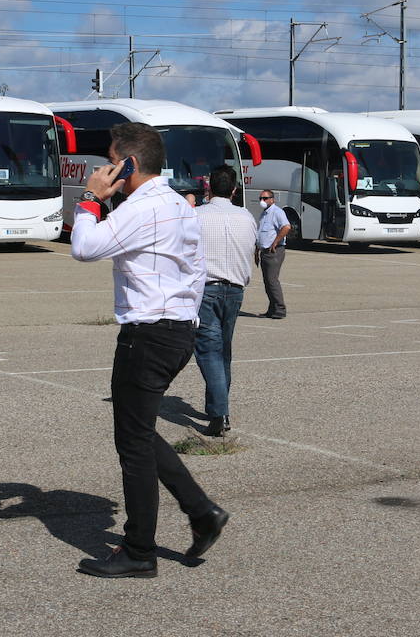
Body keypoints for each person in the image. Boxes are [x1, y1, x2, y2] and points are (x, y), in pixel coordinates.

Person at [70, 121, 228, 579]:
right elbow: (196, 269)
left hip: (150, 331)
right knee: (138, 429)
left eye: (110, 158)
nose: (104, 167)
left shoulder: (144, 208)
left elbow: (85, 246)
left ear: (129, 163)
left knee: (132, 443)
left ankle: (140, 550)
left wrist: (91, 200)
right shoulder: (176, 203)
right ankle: (201, 511)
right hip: (176, 329)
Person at [193, 165, 257, 437]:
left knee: (209, 351)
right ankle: (218, 408)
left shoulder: (196, 215)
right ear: (234, 190)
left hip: (207, 288)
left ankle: (219, 413)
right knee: (223, 351)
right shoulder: (246, 216)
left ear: (208, 188)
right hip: (236, 290)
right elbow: (254, 247)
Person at [256, 189, 291, 319]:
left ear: (272, 199)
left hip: (274, 252)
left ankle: (280, 309)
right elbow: (261, 234)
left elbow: (286, 227)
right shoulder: (264, 214)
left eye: (265, 198)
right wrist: (257, 250)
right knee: (267, 282)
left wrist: (275, 242)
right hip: (264, 251)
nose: (262, 201)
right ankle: (272, 309)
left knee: (272, 281)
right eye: (260, 198)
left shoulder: (277, 212)